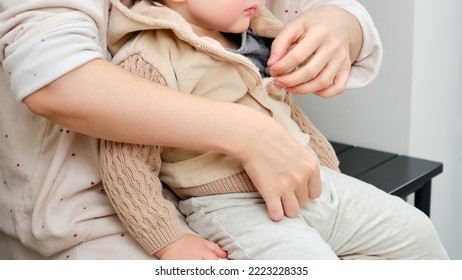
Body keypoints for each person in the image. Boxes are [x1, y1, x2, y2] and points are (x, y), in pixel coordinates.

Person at [0, 0, 385, 259]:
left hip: (292, 191)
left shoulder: (246, 30)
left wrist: (341, 23)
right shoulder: (150, 55)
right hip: (96, 218)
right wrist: (167, 238)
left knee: (411, 236)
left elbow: (288, 99)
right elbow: (55, 78)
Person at [99, 0, 449, 260]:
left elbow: (288, 112)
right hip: (232, 206)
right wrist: (168, 241)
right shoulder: (148, 59)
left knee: (418, 233)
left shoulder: (256, 37)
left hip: (313, 188)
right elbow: (124, 162)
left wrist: (326, 169)